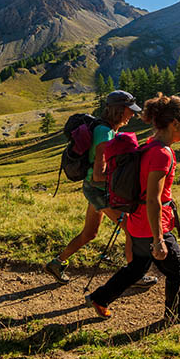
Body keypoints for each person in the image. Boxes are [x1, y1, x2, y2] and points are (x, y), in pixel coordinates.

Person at [85, 93, 180, 323]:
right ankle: (176, 311)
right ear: (174, 123)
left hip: (137, 222)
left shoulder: (150, 145)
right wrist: (159, 239)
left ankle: (100, 298)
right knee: (178, 269)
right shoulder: (161, 154)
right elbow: (153, 199)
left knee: (137, 268)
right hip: (152, 224)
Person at [45, 90, 158, 288]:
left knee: (89, 234)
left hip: (93, 189)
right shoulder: (105, 133)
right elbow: (99, 174)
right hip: (99, 190)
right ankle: (135, 275)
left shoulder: (106, 129)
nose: (132, 115)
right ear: (119, 110)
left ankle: (57, 263)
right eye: (129, 111)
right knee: (131, 229)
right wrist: (126, 179)